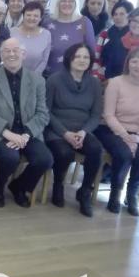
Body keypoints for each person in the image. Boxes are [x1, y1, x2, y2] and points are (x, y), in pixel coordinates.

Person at [0, 38, 52, 208]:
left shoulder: (37, 80)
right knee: (10, 157)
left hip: (28, 132)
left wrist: (26, 135)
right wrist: (8, 134)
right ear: (1, 54)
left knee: (45, 159)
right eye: (7, 51)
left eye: (15, 50)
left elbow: (42, 113)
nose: (11, 54)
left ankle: (19, 187)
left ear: (23, 54)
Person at [95, 47, 139, 216]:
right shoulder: (115, 82)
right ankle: (115, 194)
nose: (138, 66)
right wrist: (125, 136)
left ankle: (132, 195)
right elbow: (108, 115)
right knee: (123, 154)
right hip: (111, 129)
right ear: (128, 64)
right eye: (134, 61)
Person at [45, 43, 104, 216]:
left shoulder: (94, 83)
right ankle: (58, 185)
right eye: (77, 56)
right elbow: (46, 111)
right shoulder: (54, 80)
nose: (82, 60)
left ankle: (85, 191)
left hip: (82, 130)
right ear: (69, 59)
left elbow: (96, 115)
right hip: (57, 129)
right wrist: (65, 133)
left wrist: (83, 132)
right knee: (64, 153)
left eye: (86, 57)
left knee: (96, 150)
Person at [99, 7, 139, 80]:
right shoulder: (120, 41)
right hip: (116, 82)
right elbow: (109, 64)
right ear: (129, 22)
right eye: (134, 20)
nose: (137, 24)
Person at [44, 0, 96, 76]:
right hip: (49, 75)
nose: (67, 4)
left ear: (76, 4)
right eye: (63, 1)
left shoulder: (85, 22)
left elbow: (91, 51)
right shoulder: (47, 22)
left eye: (71, 1)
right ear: (58, 4)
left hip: (76, 76)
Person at [93, 0, 134, 80]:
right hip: (101, 76)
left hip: (124, 78)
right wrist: (97, 71)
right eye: (115, 14)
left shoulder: (133, 36)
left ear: (129, 16)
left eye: (122, 14)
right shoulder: (105, 34)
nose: (118, 17)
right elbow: (97, 56)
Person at [9, 1, 51, 75]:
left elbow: (44, 61)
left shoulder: (46, 34)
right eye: (28, 15)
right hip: (11, 75)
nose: (32, 18)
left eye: (36, 16)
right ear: (23, 16)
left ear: (40, 18)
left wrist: (32, 77)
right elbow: (6, 56)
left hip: (34, 77)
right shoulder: (12, 32)